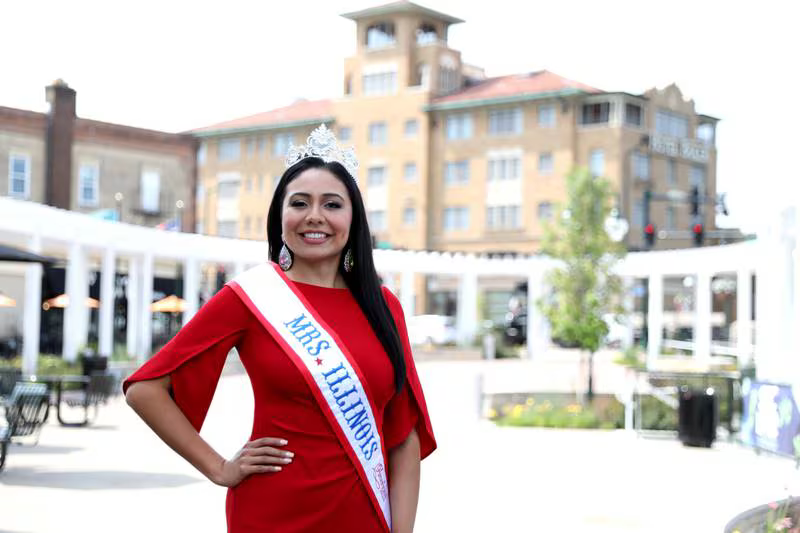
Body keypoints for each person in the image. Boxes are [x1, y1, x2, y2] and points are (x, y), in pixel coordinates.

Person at [124, 124, 436, 533]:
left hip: (364, 515)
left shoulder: (384, 307)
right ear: (281, 216)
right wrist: (219, 467)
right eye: (300, 203)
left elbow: (403, 438)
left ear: (354, 218)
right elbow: (145, 390)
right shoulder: (250, 297)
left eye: (332, 204)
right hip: (271, 511)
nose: (315, 217)